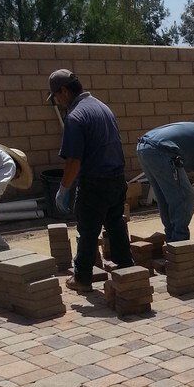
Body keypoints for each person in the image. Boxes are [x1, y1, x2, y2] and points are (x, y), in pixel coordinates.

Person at [48, 69, 134, 291]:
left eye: (56, 97)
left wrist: (64, 188)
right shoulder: (102, 107)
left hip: (95, 182)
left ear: (64, 91)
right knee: (115, 223)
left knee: (88, 229)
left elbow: (73, 161)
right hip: (117, 178)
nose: (57, 102)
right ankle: (127, 269)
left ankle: (82, 279)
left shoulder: (75, 116)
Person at [135, 122, 194, 242]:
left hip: (143, 148)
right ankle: (180, 242)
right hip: (161, 150)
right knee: (186, 197)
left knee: (165, 198)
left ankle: (171, 240)